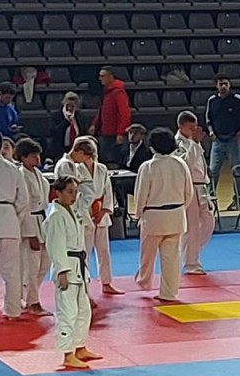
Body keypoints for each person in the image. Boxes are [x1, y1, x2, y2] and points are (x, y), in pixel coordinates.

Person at [44, 176, 102, 369]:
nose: (74, 195)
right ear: (58, 192)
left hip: (78, 265)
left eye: (75, 192)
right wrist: (62, 271)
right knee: (67, 312)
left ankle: (80, 347)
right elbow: (56, 246)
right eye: (69, 192)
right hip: (66, 267)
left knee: (83, 311)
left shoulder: (73, 212)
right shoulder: (55, 216)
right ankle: (67, 354)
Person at [134, 127, 193, 302]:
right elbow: (188, 192)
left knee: (147, 255)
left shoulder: (148, 167)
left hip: (153, 216)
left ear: (151, 147)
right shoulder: (180, 164)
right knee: (172, 259)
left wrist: (138, 214)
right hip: (176, 215)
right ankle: (169, 292)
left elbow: (141, 194)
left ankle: (144, 281)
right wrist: (181, 207)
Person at [58, 138, 120, 296]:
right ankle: (84, 287)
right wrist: (86, 213)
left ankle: (106, 282)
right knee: (84, 252)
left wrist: (105, 210)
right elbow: (75, 194)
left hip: (100, 211)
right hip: (85, 213)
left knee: (104, 251)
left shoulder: (101, 169)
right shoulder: (74, 168)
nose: (90, 158)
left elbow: (108, 189)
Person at [14, 139, 51, 317]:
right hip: (29, 222)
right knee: (31, 265)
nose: (37, 158)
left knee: (45, 263)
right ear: (23, 158)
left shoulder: (39, 175)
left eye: (38, 155)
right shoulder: (20, 175)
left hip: (41, 220)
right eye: (33, 156)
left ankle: (28, 296)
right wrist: (30, 234)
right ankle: (33, 302)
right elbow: (23, 205)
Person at [175, 112, 214, 276]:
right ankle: (191, 263)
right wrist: (194, 142)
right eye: (190, 127)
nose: (194, 130)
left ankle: (189, 254)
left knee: (208, 222)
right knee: (191, 227)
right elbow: (185, 164)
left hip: (201, 186)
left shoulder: (192, 142)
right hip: (189, 187)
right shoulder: (177, 143)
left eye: (195, 126)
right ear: (181, 126)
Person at [205, 74, 240, 210]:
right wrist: (211, 131)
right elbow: (208, 118)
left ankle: (237, 200)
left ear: (229, 85)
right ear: (216, 86)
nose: (223, 86)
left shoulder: (239, 100)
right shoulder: (212, 101)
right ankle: (210, 200)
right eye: (221, 84)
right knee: (212, 171)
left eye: (226, 83)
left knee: (237, 171)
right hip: (217, 142)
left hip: (234, 141)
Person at [0, 145, 28, 320]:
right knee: (11, 270)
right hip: (9, 218)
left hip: (8, 216)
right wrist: (14, 216)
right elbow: (23, 199)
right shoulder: (12, 169)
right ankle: (13, 311)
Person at [88, 67, 131, 165]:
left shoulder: (117, 92)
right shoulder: (107, 92)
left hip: (113, 134)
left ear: (110, 77)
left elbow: (124, 113)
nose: (100, 78)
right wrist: (95, 124)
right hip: (106, 132)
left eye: (103, 76)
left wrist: (120, 132)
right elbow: (102, 110)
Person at [47, 91, 89, 162]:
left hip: (76, 150)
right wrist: (67, 122)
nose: (70, 108)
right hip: (60, 150)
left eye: (73, 106)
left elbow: (83, 132)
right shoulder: (55, 116)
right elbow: (53, 132)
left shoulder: (80, 117)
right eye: (68, 105)